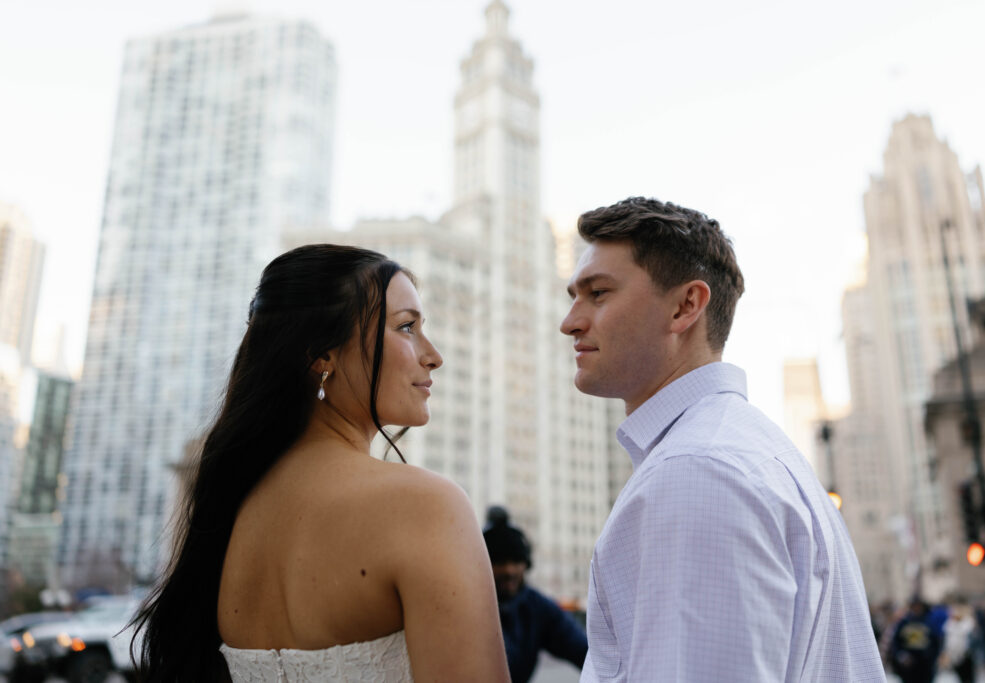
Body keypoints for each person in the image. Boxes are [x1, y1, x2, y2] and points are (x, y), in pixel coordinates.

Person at [130, 245, 510, 682]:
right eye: (406, 327)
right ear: (321, 354)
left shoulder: (231, 511)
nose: (433, 354)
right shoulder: (426, 506)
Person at [559, 197, 885, 681]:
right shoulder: (738, 450)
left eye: (599, 293)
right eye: (574, 296)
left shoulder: (698, 471)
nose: (570, 321)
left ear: (685, 306)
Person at [482, 506, 587, 682]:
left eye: (516, 560)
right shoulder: (465, 607)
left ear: (526, 564)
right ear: (482, 565)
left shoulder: (538, 608)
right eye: (499, 561)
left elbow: (586, 653)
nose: (509, 570)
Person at [888, 597, 942, 683]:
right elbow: (896, 642)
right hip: (908, 664)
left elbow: (936, 642)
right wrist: (901, 655)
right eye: (914, 606)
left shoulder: (930, 622)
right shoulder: (904, 622)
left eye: (918, 606)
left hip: (925, 664)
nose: (916, 609)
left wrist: (931, 657)